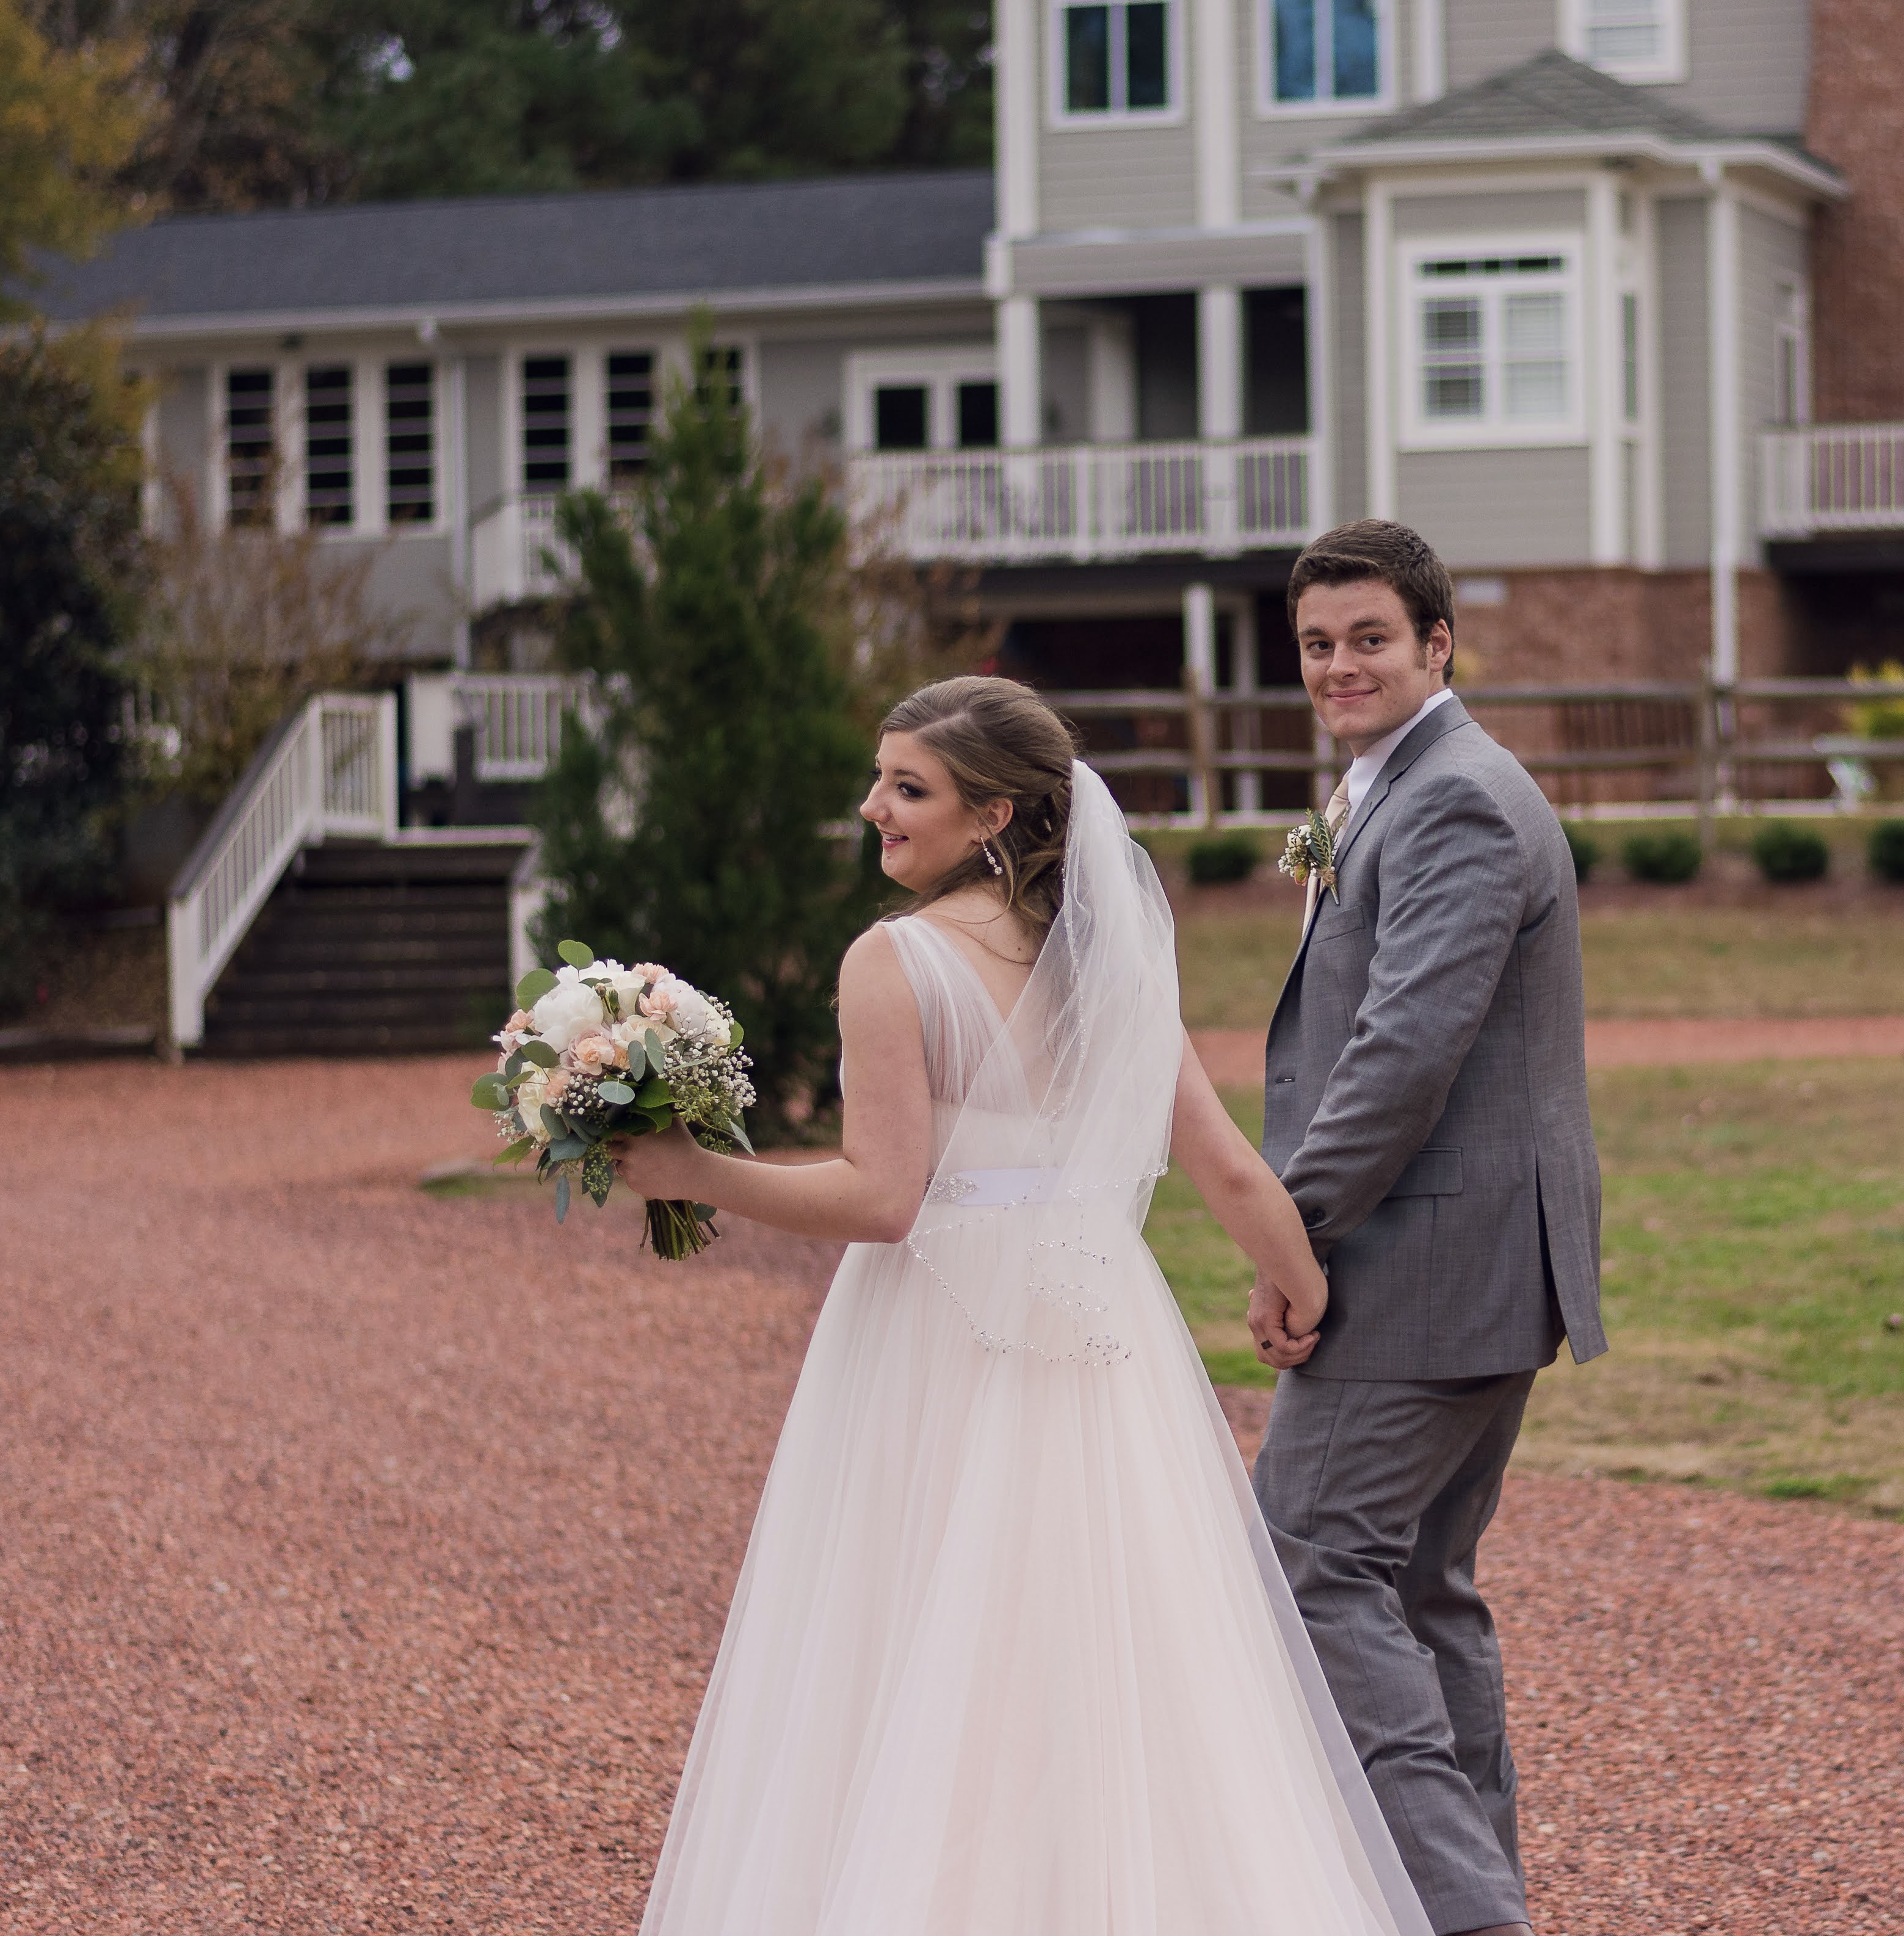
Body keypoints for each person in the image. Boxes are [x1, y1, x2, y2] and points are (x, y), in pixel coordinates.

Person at [611, 674, 1432, 1936]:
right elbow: (1221, 1161)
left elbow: (886, 1198)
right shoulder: (1103, 954)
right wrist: (1300, 1289)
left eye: (908, 787)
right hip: (1104, 1328)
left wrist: (688, 1172)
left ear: (993, 812)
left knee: (913, 1631)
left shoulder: (894, 960)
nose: (873, 806)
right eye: (882, 778)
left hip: (935, 1323)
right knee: (1104, 1643)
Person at [1253, 519, 1607, 1936]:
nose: (1341, 665)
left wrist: (1294, 1232)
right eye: (1318, 645)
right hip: (1469, 1263)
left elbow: (1406, 1051)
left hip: (1421, 1262)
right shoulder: (1388, 787)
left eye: (1369, 639)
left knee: (1310, 1562)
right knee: (1417, 1586)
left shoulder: (1457, 797)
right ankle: (1464, 1896)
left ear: (1437, 642)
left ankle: (1464, 1916)